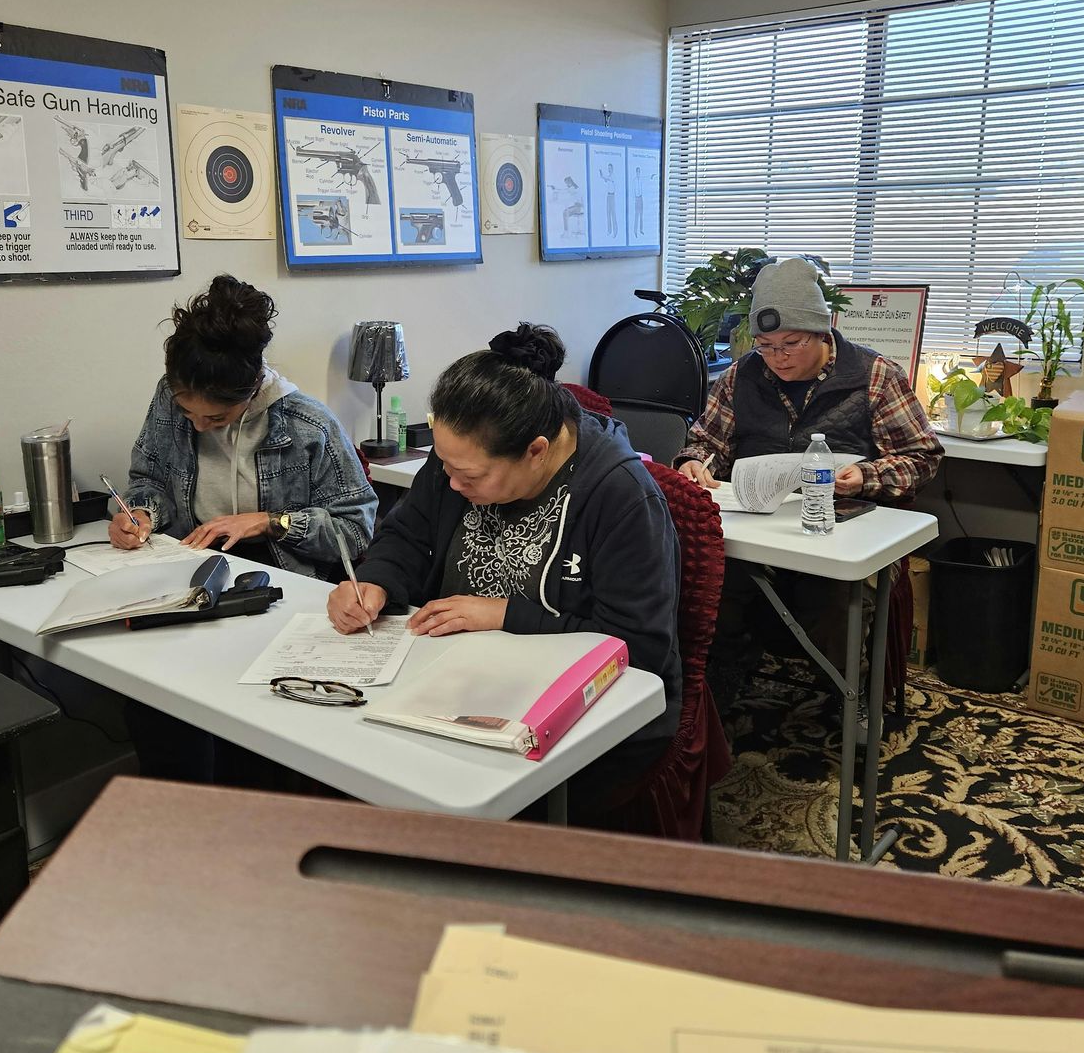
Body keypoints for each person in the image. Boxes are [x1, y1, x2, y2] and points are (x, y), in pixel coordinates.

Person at [327, 322, 682, 818]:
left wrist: (505, 614)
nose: (450, 484)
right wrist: (376, 581)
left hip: (582, 718)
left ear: (537, 450)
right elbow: (407, 534)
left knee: (441, 799)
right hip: (450, 677)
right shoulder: (460, 458)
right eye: (445, 467)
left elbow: (637, 648)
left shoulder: (621, 495)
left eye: (468, 476)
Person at [674, 256, 941, 680]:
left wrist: (865, 478)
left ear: (822, 331)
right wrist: (693, 463)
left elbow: (922, 457)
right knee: (709, 584)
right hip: (755, 527)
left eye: (792, 343)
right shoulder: (742, 375)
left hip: (839, 528)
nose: (777, 357)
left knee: (832, 602)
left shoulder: (874, 376)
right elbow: (705, 442)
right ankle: (726, 685)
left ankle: (843, 699)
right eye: (765, 345)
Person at [110, 274, 377, 579]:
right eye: (187, 413)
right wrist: (140, 514)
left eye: (216, 418)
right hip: (188, 559)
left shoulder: (308, 426)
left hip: (280, 573)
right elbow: (149, 478)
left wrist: (270, 522)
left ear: (253, 389)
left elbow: (355, 531)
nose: (197, 427)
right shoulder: (169, 397)